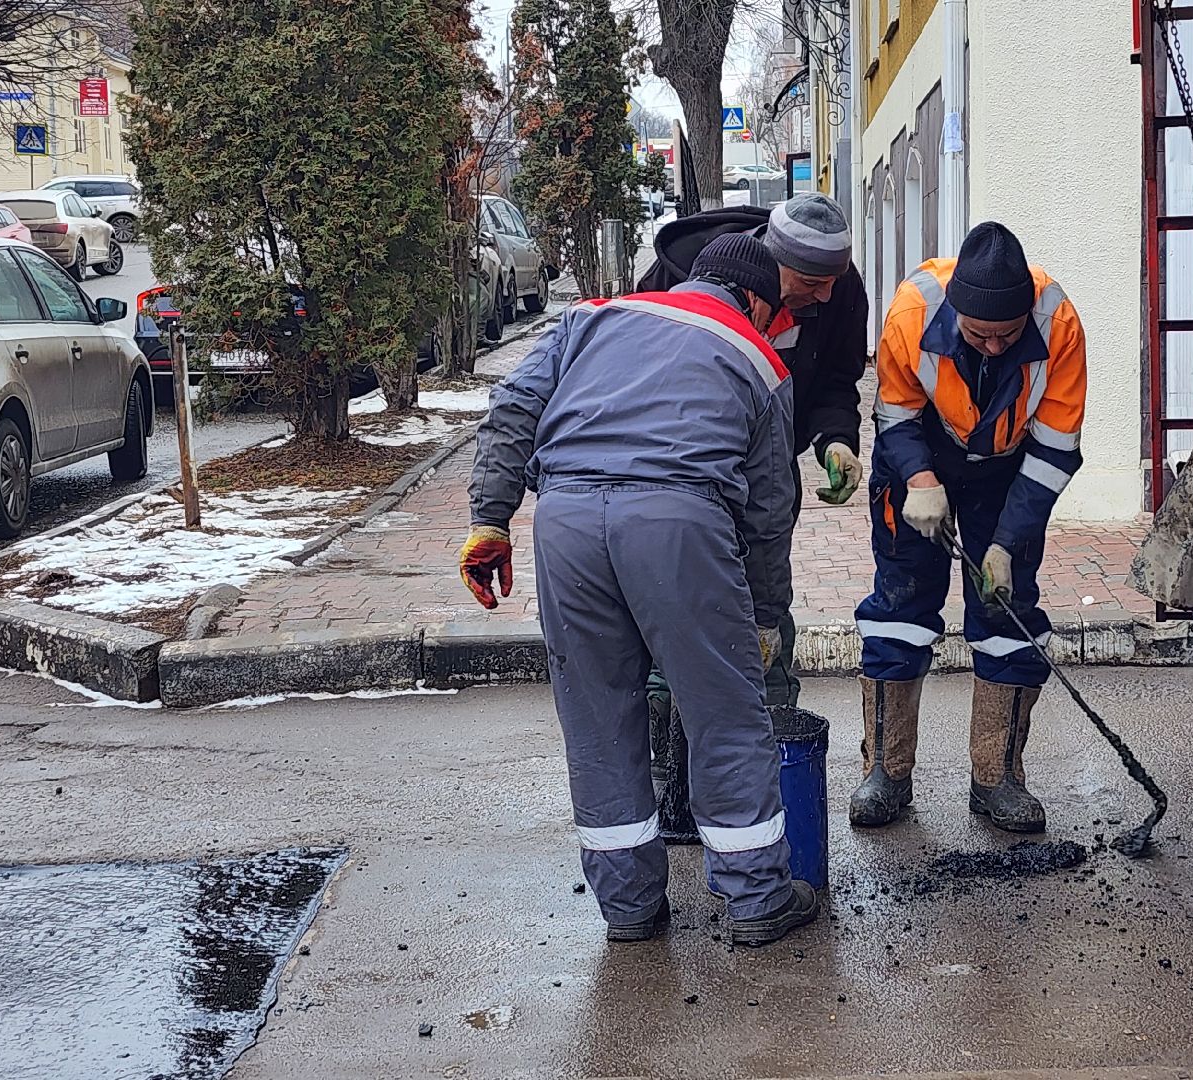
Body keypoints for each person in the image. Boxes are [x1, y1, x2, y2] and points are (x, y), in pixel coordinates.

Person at [457, 233, 822, 946]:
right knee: (725, 712)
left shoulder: (589, 318)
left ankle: (628, 906)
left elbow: (512, 409)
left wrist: (489, 521)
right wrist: (764, 617)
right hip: (677, 523)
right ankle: (756, 900)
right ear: (754, 300)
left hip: (565, 523)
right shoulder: (757, 356)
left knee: (596, 717)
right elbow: (769, 513)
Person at [850, 222, 1087, 833]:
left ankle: (997, 778)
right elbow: (894, 413)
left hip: (1007, 471)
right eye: (979, 334)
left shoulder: (1058, 325)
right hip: (920, 456)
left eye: (1007, 334)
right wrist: (919, 480)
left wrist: (1007, 542)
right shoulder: (913, 312)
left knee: (1007, 612)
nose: (993, 346)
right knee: (900, 606)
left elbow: (1055, 449)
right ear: (957, 312)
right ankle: (886, 772)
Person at [636, 193, 870, 708]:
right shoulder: (674, 277)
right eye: (811, 283)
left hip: (770, 465)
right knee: (677, 601)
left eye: (834, 280)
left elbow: (837, 380)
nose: (827, 295)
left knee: (765, 594)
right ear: (770, 267)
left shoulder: (840, 288)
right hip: (679, 475)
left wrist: (836, 441)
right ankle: (666, 723)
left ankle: (774, 715)